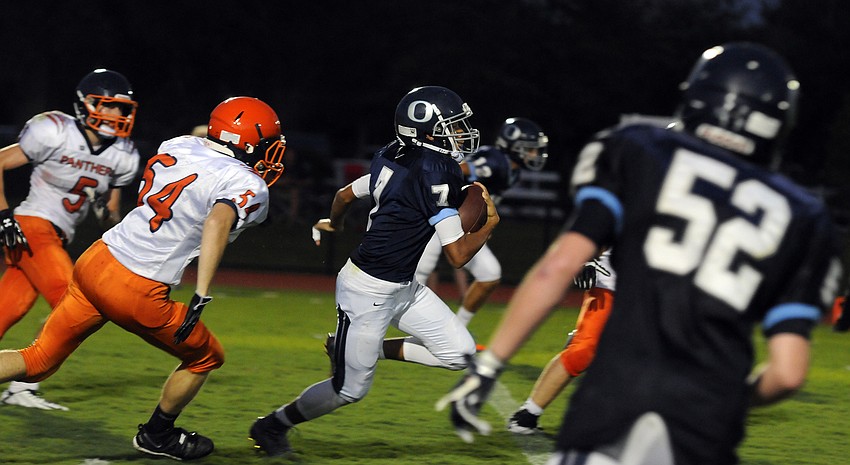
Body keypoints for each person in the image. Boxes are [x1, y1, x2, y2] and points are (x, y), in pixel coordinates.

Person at [437, 42, 844, 465]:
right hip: (704, 433)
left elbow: (555, 268)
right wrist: (727, 400)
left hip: (611, 416)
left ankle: (525, 406)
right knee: (583, 349)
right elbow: (789, 373)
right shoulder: (805, 216)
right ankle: (530, 411)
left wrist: (490, 366)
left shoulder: (639, 148)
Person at [0, 95, 286, 460]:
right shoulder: (248, 183)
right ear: (247, 142)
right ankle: (158, 435)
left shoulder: (180, 144)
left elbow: (205, 147)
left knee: (38, 358)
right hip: (137, 283)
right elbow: (217, 220)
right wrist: (201, 293)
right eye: (265, 144)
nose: (270, 153)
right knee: (206, 357)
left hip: (97, 258)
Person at [249, 85, 499, 457]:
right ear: (425, 130)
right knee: (349, 390)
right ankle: (271, 426)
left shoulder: (393, 154)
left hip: (403, 285)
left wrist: (333, 223)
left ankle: (354, 348)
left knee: (459, 354)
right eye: (451, 126)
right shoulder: (436, 170)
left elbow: (344, 196)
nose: (460, 133)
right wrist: (490, 222)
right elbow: (459, 255)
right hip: (367, 291)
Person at [0, 68, 141, 410]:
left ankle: (19, 382)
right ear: (84, 104)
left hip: (56, 236)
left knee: (7, 309)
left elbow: (110, 214)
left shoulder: (123, 155)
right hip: (32, 225)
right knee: (74, 304)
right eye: (106, 105)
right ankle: (22, 383)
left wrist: (101, 208)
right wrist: (3, 214)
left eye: (120, 108)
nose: (114, 114)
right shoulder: (54, 130)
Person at [415, 117, 549, 327]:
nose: (534, 154)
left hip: (463, 225)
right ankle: (394, 319)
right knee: (420, 273)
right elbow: (462, 169)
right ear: (513, 145)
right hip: (442, 215)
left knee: (490, 274)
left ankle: (456, 329)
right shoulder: (495, 160)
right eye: (530, 149)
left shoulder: (511, 169)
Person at [507, 249, 615, 434]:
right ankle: (527, 416)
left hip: (662, 292)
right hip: (613, 281)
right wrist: (585, 259)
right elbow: (597, 227)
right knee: (583, 350)